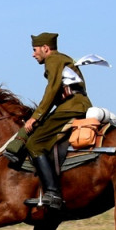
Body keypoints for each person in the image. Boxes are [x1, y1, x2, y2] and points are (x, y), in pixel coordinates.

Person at [18, 32, 92, 211]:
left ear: (45, 48)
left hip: (70, 108)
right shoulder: (63, 59)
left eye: (35, 50)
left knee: (35, 143)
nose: (33, 54)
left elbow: (51, 91)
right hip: (76, 104)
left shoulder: (53, 60)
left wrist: (36, 116)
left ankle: (52, 192)